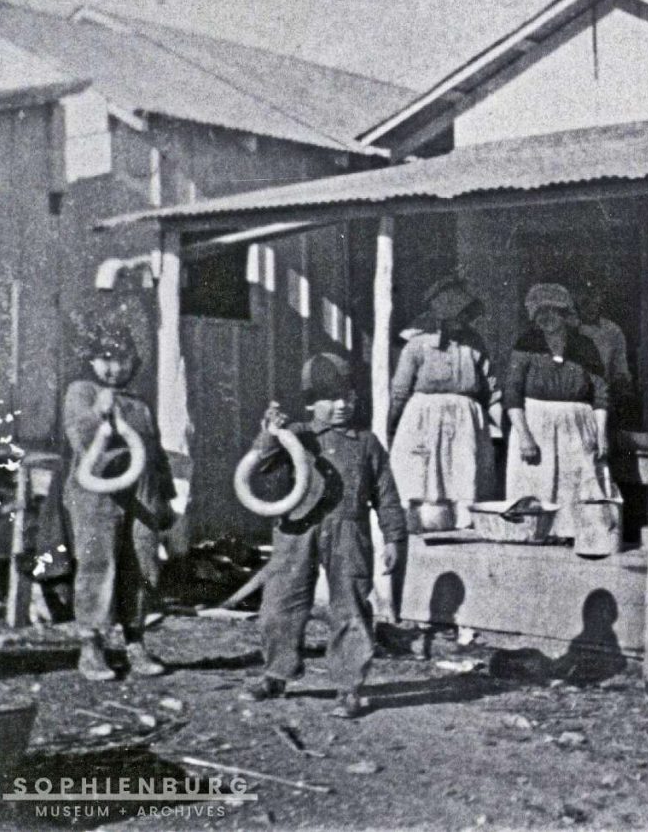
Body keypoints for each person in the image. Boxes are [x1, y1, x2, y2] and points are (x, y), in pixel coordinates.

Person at [249, 352, 407, 716]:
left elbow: (387, 495)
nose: (340, 406)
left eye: (347, 397)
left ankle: (349, 687)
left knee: (350, 606)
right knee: (280, 602)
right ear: (309, 402)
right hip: (297, 526)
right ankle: (276, 673)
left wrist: (394, 537)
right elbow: (263, 465)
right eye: (329, 398)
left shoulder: (367, 443)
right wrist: (270, 433)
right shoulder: (298, 436)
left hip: (349, 530)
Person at [63, 320, 175, 681]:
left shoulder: (140, 404)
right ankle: (92, 645)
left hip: (140, 494)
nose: (114, 367)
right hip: (97, 494)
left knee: (142, 563)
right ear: (90, 360)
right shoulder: (81, 391)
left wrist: (165, 500)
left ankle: (135, 640)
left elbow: (155, 455)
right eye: (105, 358)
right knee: (98, 564)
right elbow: (81, 438)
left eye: (122, 359)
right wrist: (99, 412)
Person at [389, 276, 501, 529]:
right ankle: (421, 522)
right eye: (458, 315)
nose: (463, 320)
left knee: (463, 473)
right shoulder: (417, 344)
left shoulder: (474, 342)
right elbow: (400, 390)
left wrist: (501, 425)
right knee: (422, 473)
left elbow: (491, 387)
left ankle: (465, 522)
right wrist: (391, 425)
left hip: (466, 421)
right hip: (423, 419)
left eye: (466, 315)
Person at [505, 283, 609, 539]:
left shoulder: (585, 346)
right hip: (535, 424)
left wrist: (601, 433)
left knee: (574, 482)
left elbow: (600, 394)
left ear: (566, 315)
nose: (547, 318)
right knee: (535, 482)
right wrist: (524, 436)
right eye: (541, 312)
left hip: (577, 426)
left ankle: (573, 534)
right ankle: (532, 534)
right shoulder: (526, 345)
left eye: (553, 311)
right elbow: (512, 393)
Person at [573, 281, 633, 422]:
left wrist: (620, 386)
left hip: (601, 398)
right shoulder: (566, 328)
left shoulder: (612, 331)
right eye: (585, 300)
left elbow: (620, 371)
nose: (591, 305)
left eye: (595, 298)